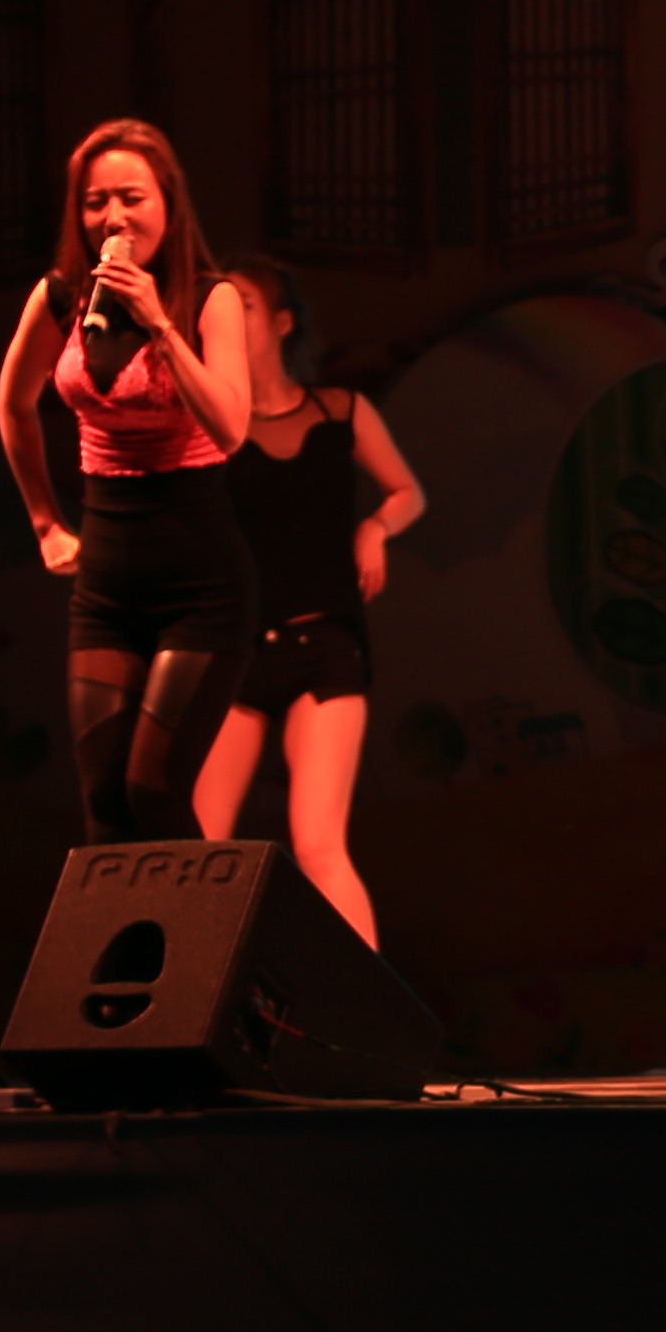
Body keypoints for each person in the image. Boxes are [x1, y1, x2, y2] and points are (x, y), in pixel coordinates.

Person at [0, 119, 265, 845]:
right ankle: (125, 929)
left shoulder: (210, 299)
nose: (113, 217)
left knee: (154, 790)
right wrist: (45, 522)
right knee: (105, 804)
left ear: (168, 203)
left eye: (132, 198)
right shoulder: (61, 298)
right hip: (109, 578)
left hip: (200, 579)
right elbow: (14, 403)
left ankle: (209, 921)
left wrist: (157, 322)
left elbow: (231, 428)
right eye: (95, 202)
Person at [194, 262, 429, 940]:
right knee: (198, 850)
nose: (225, 314)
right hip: (239, 651)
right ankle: (202, 993)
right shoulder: (212, 429)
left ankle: (366, 1003)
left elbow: (407, 492)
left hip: (323, 648)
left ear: (281, 322)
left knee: (319, 845)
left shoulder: (340, 411)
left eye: (241, 302)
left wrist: (375, 527)